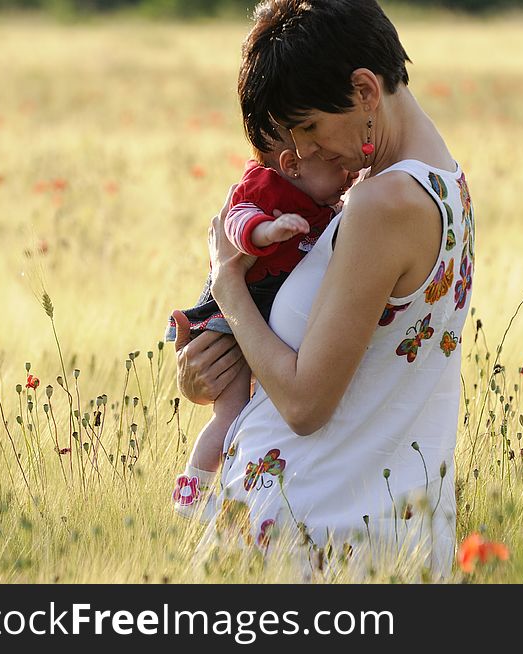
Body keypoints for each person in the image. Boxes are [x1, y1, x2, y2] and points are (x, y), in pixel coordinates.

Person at [174, 0, 475, 580]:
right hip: (370, 532)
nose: (305, 154)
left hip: (321, 540)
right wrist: (216, 367)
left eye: (309, 127)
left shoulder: (383, 203)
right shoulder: (442, 182)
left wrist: (227, 288)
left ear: (365, 90)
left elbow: (306, 404)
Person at [166, 135, 353, 518]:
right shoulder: (266, 186)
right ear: (292, 164)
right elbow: (235, 221)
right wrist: (269, 231)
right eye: (334, 162)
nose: (346, 172)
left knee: (247, 408)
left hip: (254, 312)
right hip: (231, 320)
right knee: (229, 412)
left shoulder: (323, 198)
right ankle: (192, 487)